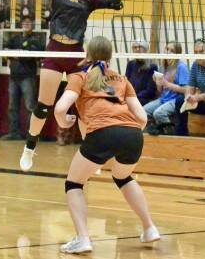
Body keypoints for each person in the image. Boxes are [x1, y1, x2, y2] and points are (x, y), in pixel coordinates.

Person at [20, 0, 123, 169]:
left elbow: (117, 6)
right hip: (55, 51)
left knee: (86, 104)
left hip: (76, 54)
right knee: (43, 106)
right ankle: (29, 148)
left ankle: (92, 156)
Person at [53, 36, 160, 253]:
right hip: (132, 134)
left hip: (102, 132)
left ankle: (83, 238)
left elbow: (59, 109)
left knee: (74, 184)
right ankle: (149, 228)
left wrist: (64, 122)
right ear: (111, 55)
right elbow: (142, 118)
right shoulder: (121, 79)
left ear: (87, 54)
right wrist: (124, 134)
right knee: (123, 177)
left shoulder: (79, 77)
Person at [2, 16, 42, 140]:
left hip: (28, 77)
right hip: (13, 77)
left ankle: (32, 134)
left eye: (29, 22)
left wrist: (16, 55)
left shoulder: (36, 40)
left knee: (30, 106)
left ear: (33, 25)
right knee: (12, 107)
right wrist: (18, 53)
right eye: (24, 22)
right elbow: (5, 51)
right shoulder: (15, 38)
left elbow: (29, 57)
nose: (26, 24)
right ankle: (14, 132)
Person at [144, 41, 189, 135]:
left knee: (158, 113)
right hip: (163, 99)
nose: (168, 52)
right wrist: (157, 82)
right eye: (167, 49)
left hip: (176, 99)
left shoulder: (181, 67)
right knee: (143, 111)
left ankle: (170, 134)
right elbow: (160, 90)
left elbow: (185, 90)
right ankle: (156, 130)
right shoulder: (163, 66)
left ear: (177, 54)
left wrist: (167, 84)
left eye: (172, 50)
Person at [174, 38, 205, 135]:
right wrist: (188, 96)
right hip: (203, 102)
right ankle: (182, 135)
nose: (198, 54)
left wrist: (198, 97)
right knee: (180, 101)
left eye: (201, 51)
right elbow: (190, 85)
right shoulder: (195, 65)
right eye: (195, 52)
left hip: (203, 98)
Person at [125, 40, 157, 105]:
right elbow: (126, 82)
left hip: (144, 98)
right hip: (131, 97)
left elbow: (151, 90)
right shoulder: (130, 64)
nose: (137, 49)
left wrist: (135, 96)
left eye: (140, 47)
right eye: (135, 47)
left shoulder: (152, 66)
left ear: (145, 49)